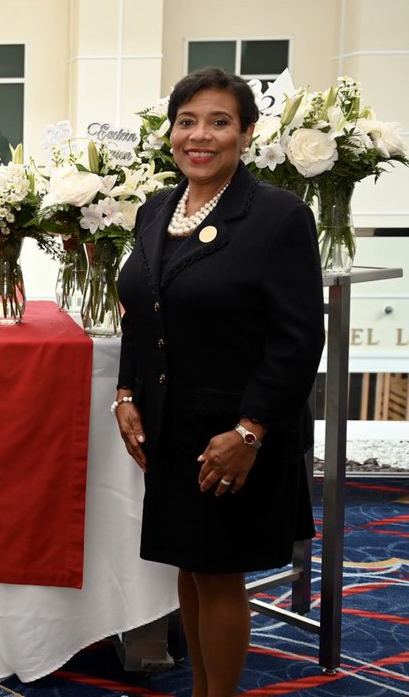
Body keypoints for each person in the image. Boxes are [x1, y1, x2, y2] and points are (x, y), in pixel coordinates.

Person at [113, 67, 324, 697]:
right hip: (171, 428)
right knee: (191, 566)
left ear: (248, 133)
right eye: (187, 121)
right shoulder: (155, 210)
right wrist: (127, 395)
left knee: (220, 575)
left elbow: (297, 340)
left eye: (219, 121)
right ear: (171, 131)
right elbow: (140, 313)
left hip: (235, 436)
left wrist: (251, 431)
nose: (199, 135)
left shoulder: (278, 217)